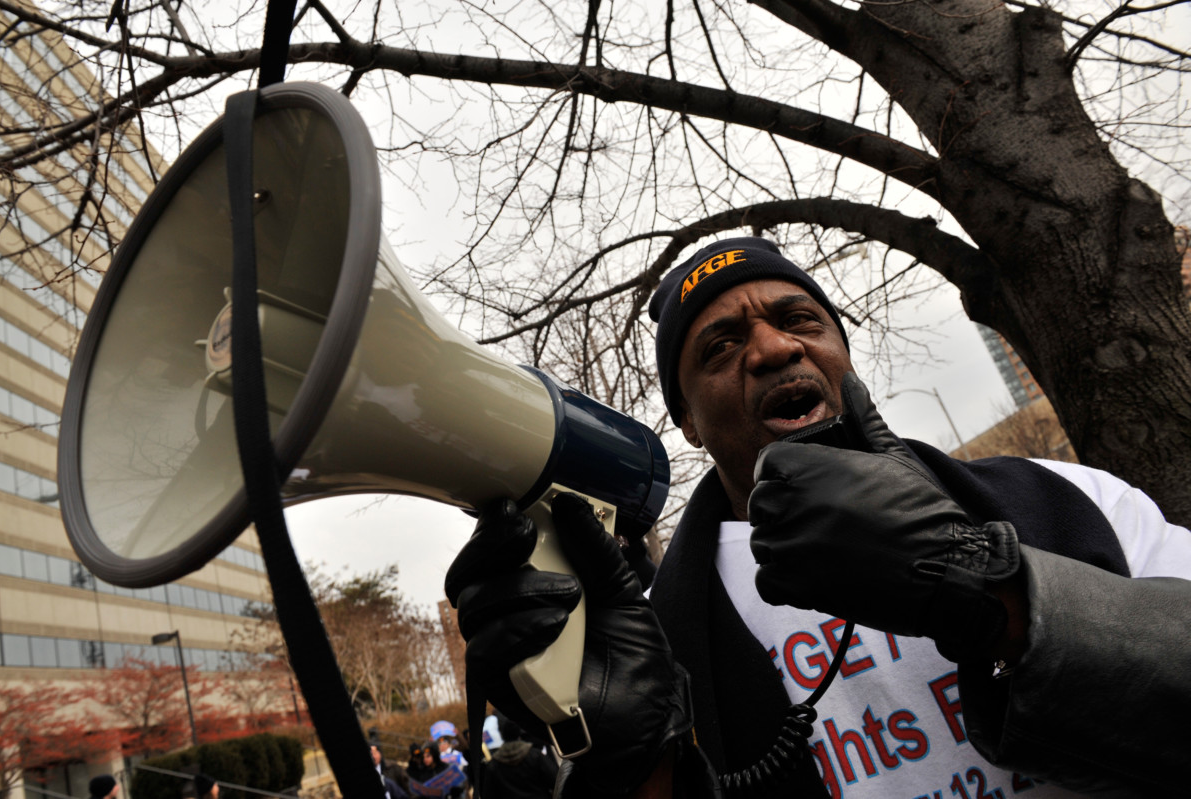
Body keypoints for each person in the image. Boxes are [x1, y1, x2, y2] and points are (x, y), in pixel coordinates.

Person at [445, 236, 1191, 798]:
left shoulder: (1070, 496)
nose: (773, 347)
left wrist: (994, 590)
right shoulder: (653, 638)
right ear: (689, 423)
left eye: (798, 318)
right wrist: (635, 773)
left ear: (842, 351)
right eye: (721, 346)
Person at [480, 717, 558, 799]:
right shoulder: (534, 755)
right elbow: (555, 780)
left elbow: (488, 794)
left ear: (502, 735)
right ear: (519, 733)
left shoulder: (494, 764)